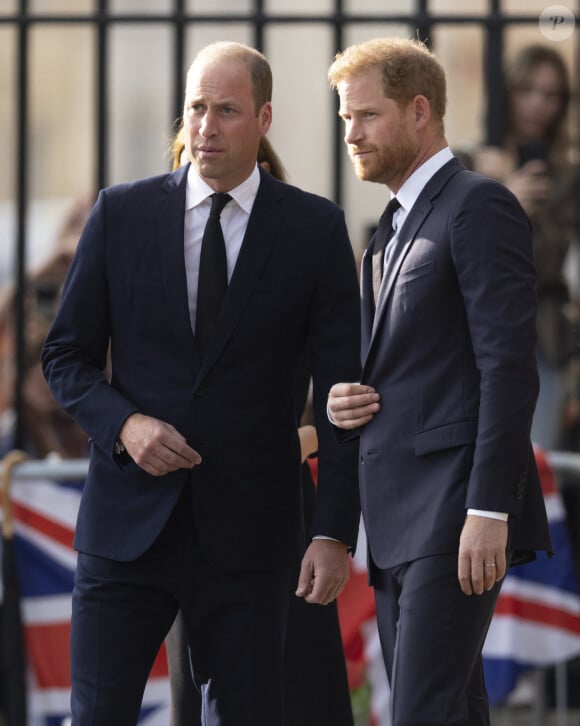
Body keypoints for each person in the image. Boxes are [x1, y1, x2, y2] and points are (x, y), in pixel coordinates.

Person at [41, 41, 361, 726]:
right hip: (126, 528)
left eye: (226, 110)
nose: (206, 128)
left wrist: (333, 532)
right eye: (195, 109)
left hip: (252, 534)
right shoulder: (119, 215)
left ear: (264, 117)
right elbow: (65, 356)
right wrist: (125, 425)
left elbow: (342, 395)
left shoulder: (313, 229)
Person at [326, 37, 552, 726]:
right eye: (344, 120)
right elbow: (399, 369)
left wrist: (489, 509)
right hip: (394, 523)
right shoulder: (384, 235)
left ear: (420, 110)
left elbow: (509, 368)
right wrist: (343, 399)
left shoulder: (478, 205)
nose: (351, 135)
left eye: (366, 116)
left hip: (455, 517)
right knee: (449, 715)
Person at [165, 128, 355, 726]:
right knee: (202, 695)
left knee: (296, 688)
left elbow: (343, 391)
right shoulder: (161, 253)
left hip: (278, 507)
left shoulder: (303, 252)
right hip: (187, 512)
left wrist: (294, 445)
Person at [466, 44, 579, 451]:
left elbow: (549, 262)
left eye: (551, 95)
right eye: (527, 89)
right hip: (470, 332)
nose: (537, 105)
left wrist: (522, 203)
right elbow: (456, 249)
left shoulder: (567, 176)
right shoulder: (469, 163)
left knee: (533, 463)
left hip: (539, 335)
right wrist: (498, 191)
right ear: (508, 92)